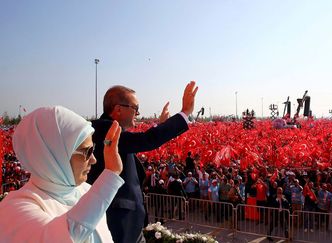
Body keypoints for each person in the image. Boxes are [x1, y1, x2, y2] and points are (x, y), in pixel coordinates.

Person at [87, 81, 198, 243]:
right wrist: (184, 113)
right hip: (119, 224)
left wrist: (159, 125)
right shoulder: (106, 130)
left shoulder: (111, 132)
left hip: (127, 221)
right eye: (135, 109)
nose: (138, 114)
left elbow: (133, 143)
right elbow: (146, 140)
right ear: (118, 109)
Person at [0, 106, 123, 242]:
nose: (93, 160)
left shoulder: (87, 191)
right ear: (53, 155)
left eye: (93, 148)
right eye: (87, 151)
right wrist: (110, 176)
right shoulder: (14, 208)